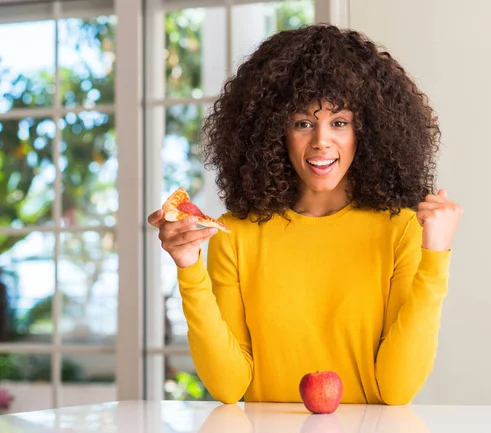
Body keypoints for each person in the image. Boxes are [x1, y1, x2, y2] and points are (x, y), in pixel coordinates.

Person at [147, 24, 463, 405]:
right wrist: (188, 268)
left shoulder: (401, 230)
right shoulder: (236, 234)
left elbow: (396, 390)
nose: (321, 141)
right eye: (302, 123)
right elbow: (229, 387)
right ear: (272, 132)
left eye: (339, 123)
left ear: (368, 131)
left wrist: (436, 258)